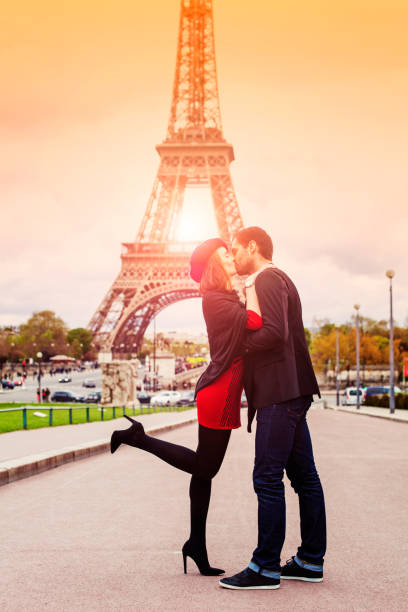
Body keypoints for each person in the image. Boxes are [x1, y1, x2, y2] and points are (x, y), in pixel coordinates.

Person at [110, 238, 263, 576]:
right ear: (213, 263)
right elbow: (253, 321)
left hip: (219, 389)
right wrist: (251, 282)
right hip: (220, 392)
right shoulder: (215, 299)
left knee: (203, 472)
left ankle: (196, 544)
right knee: (205, 467)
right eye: (224, 253)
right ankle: (138, 438)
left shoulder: (221, 297)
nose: (229, 255)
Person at [219, 226, 326, 591]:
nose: (232, 257)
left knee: (267, 477)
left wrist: (237, 344)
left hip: (279, 392)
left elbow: (274, 332)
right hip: (292, 388)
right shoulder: (280, 279)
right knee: (304, 477)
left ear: (253, 246)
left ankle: (264, 567)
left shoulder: (264, 279)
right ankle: (310, 560)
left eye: (235, 249)